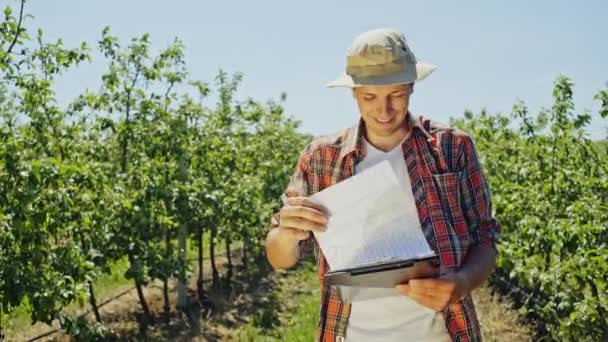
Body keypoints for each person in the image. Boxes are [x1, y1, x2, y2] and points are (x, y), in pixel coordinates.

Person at [264, 28, 500, 342]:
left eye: (396, 95)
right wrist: (286, 233)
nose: (384, 110)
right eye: (370, 97)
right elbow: (279, 258)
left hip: (443, 333)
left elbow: (485, 237)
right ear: (354, 93)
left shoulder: (452, 148)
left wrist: (461, 284)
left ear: (412, 88)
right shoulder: (321, 157)